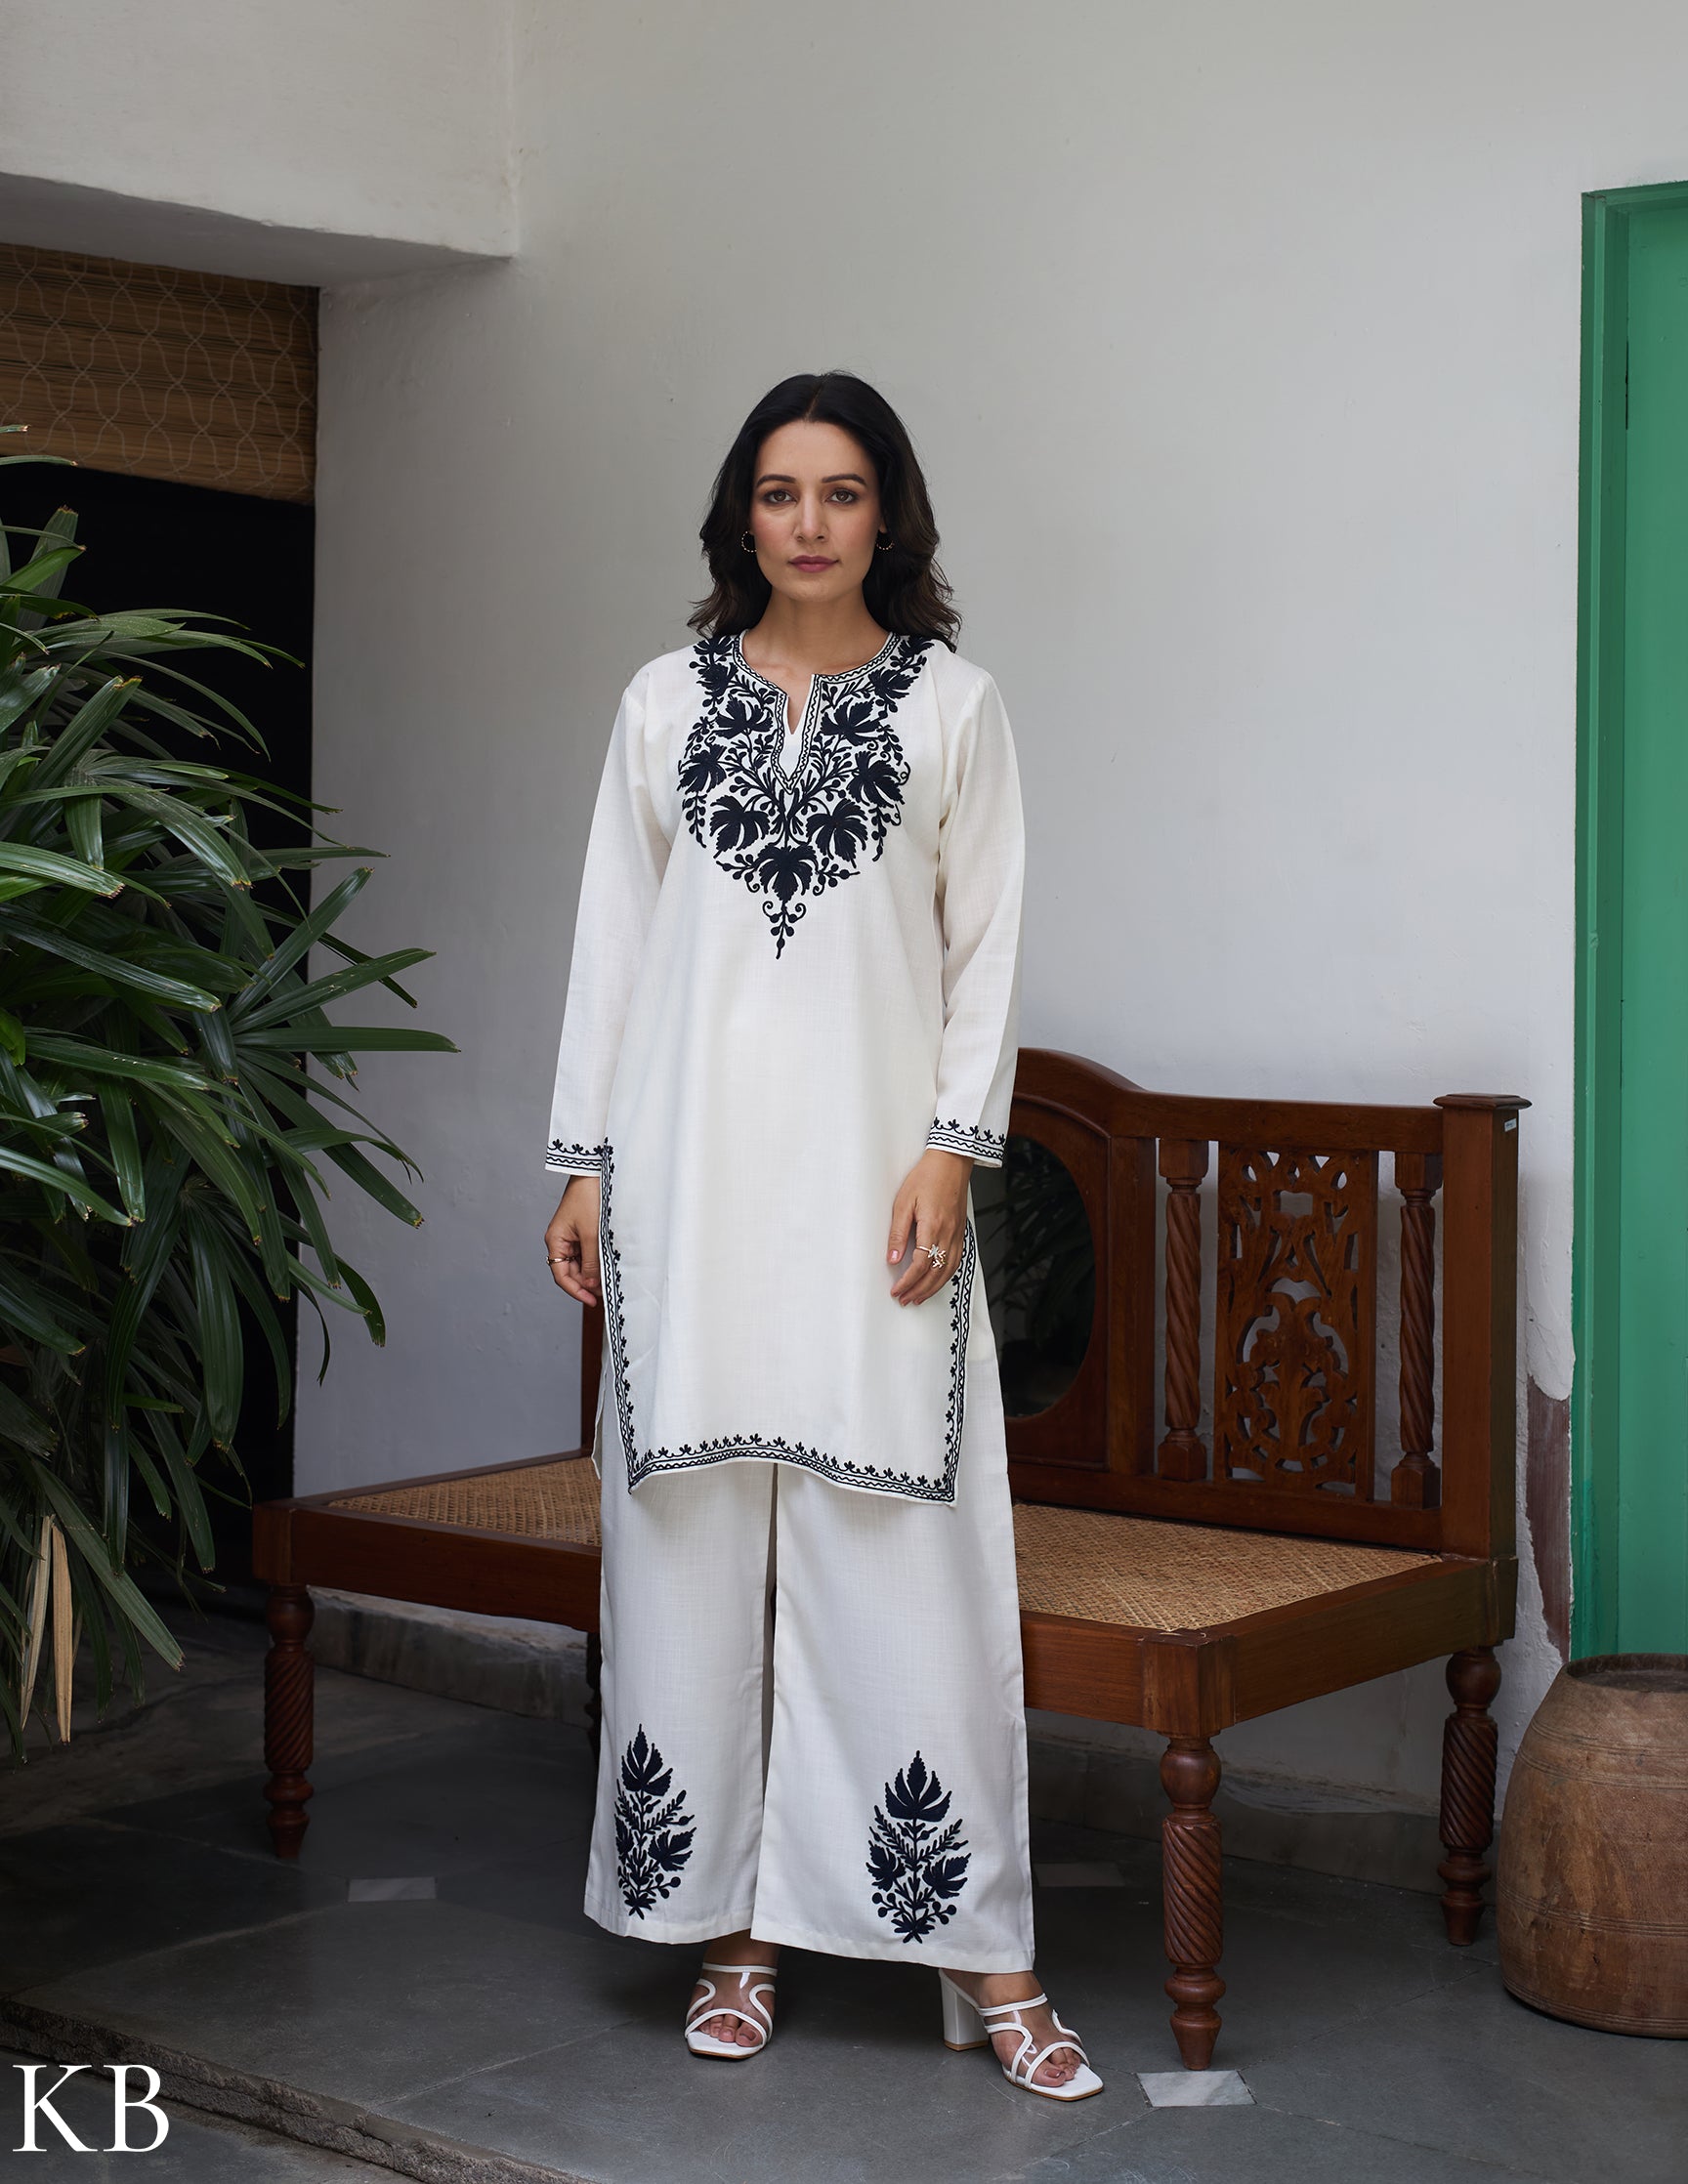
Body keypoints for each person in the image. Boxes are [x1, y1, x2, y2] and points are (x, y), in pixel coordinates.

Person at [543, 371, 1101, 2100]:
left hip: (878, 1196)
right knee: (690, 1549)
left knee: (907, 1557)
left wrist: (951, 1147)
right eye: (780, 493)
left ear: (888, 516)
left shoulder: (954, 709)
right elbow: (616, 941)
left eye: (841, 493)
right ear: (742, 515)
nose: (808, 523)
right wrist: (584, 1164)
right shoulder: (664, 703)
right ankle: (732, 1934)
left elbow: (986, 947)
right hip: (690, 1182)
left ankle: (988, 1959)